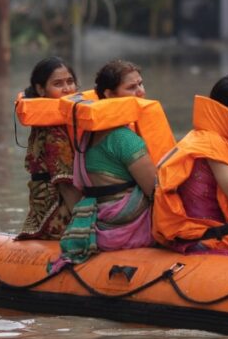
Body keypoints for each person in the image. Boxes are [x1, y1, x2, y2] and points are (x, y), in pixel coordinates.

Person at [53, 60, 158, 268]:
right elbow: (156, 192)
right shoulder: (123, 138)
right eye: (131, 87)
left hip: (98, 220)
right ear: (109, 94)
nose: (141, 92)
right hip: (122, 225)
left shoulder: (88, 135)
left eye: (141, 84)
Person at [153, 74, 228, 256]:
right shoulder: (210, 141)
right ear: (223, 110)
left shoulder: (218, 137)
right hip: (206, 239)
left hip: (220, 232)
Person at [16, 57, 81, 240]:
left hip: (44, 205)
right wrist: (86, 224)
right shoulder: (53, 129)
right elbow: (65, 184)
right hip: (56, 208)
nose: (67, 89)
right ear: (40, 90)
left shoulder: (60, 119)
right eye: (58, 84)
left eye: (70, 82)